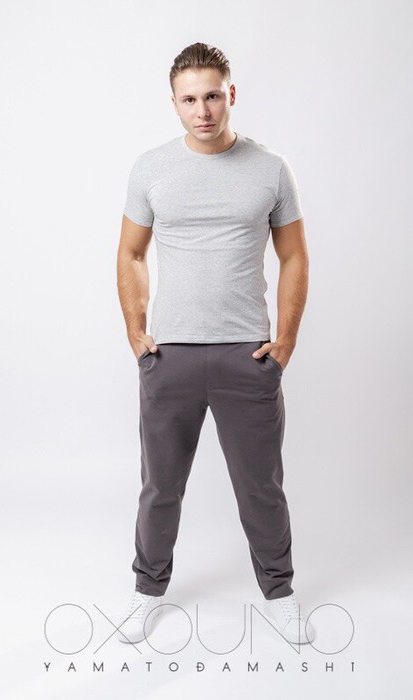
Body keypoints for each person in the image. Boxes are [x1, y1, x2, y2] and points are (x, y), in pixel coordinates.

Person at [116, 42, 315, 646]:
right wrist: (137, 333)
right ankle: (146, 591)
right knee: (160, 487)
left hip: (246, 356)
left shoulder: (270, 169)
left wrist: (284, 342)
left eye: (211, 96)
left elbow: (294, 255)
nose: (201, 110)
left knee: (260, 487)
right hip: (170, 356)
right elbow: (130, 252)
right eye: (188, 99)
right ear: (174, 104)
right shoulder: (151, 168)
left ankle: (279, 593)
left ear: (231, 94)